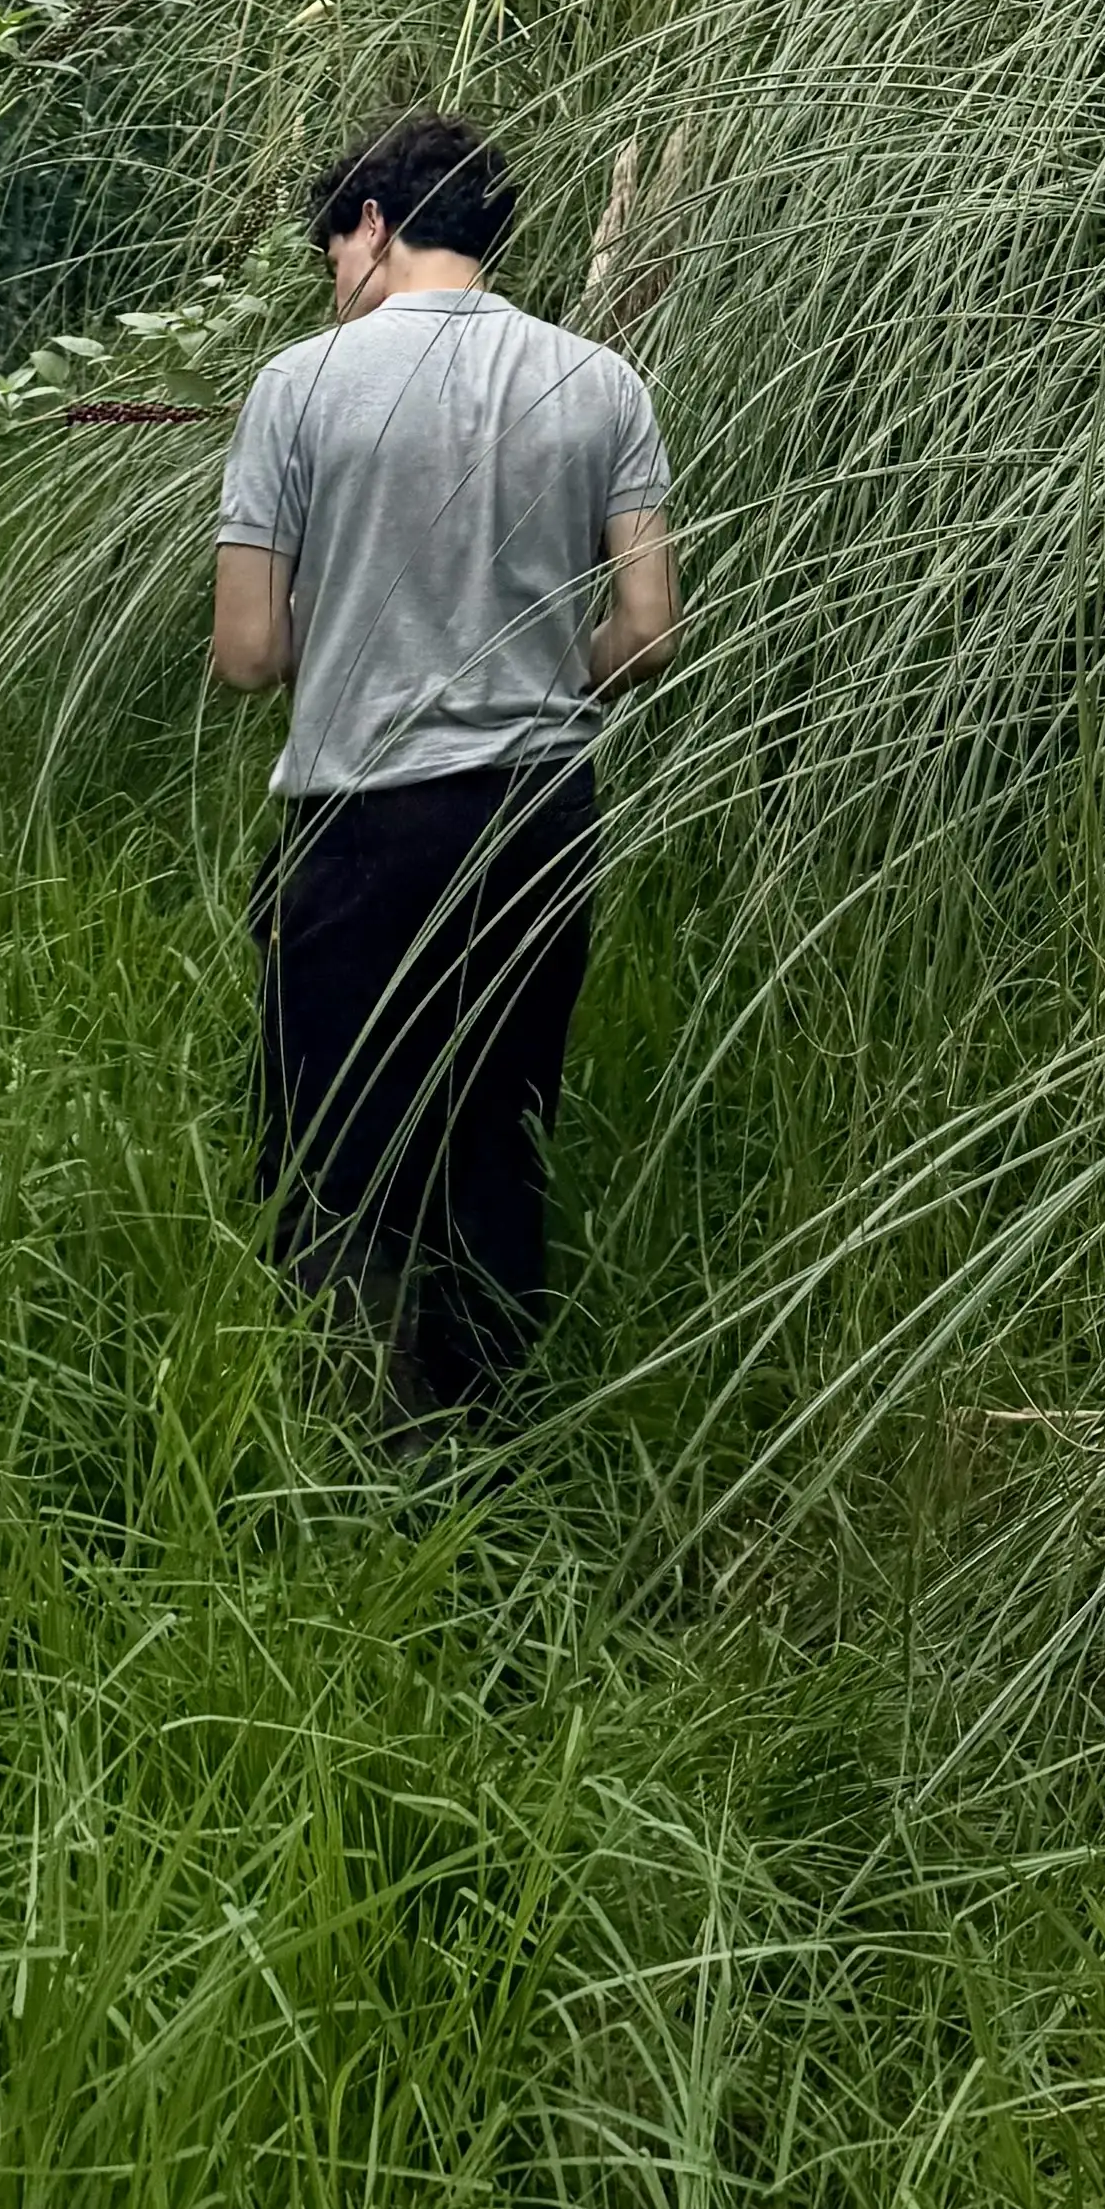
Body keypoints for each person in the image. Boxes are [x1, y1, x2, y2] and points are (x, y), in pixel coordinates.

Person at [211, 104, 677, 1423]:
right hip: (540, 816)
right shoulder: (605, 384)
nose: (335, 285)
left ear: (373, 225)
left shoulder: (299, 386)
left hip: (362, 820)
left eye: (332, 256)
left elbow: (246, 653)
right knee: (495, 1129)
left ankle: (352, 1438)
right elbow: (649, 630)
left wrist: (357, 635)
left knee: (336, 1140)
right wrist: (534, 669)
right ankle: (487, 1447)